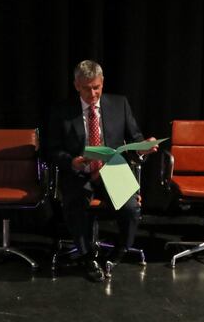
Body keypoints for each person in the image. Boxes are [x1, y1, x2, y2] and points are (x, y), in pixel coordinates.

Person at [47, 60, 157, 282]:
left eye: (97, 87)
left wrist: (144, 148)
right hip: (79, 171)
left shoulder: (119, 104)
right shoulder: (61, 111)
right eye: (87, 88)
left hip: (112, 169)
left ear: (102, 82)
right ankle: (87, 257)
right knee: (76, 205)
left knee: (131, 209)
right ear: (77, 85)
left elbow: (134, 139)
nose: (93, 93)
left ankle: (119, 252)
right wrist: (72, 161)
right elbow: (51, 149)